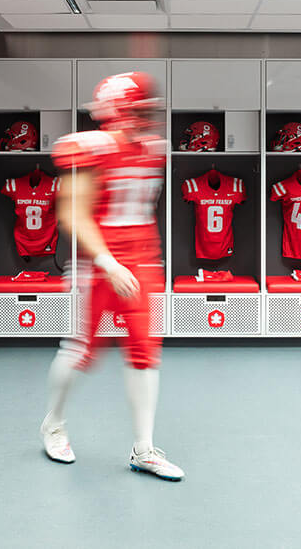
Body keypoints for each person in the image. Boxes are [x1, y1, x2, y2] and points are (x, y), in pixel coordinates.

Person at [40, 72, 184, 481]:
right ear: (117, 110)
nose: (145, 116)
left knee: (144, 349)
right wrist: (108, 261)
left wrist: (139, 260)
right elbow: (72, 213)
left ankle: (144, 448)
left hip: (143, 258)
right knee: (83, 349)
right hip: (101, 260)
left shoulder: (154, 149)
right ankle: (53, 423)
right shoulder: (91, 148)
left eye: (146, 109)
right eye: (137, 109)